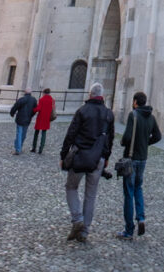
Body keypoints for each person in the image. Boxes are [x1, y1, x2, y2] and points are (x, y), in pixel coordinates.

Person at [60, 82, 114, 243]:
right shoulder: (108, 114)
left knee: (71, 187)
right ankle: (84, 231)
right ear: (102, 96)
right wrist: (106, 157)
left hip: (80, 156)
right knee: (91, 195)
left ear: (90, 94)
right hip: (98, 159)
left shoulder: (82, 111)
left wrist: (63, 155)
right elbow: (110, 139)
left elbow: (71, 134)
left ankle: (77, 219)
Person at [116, 90, 162, 240]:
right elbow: (158, 136)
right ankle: (141, 218)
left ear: (135, 102)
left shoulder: (133, 115)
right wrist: (145, 143)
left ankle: (129, 230)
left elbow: (127, 137)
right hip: (143, 158)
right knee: (138, 188)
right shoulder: (151, 117)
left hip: (131, 158)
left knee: (129, 192)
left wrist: (123, 142)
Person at [10, 88, 38, 154]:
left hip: (20, 118)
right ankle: (20, 147)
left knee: (19, 133)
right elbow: (35, 109)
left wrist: (12, 113)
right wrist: (31, 115)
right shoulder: (33, 100)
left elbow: (15, 107)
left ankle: (18, 149)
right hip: (28, 118)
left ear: (25, 92)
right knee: (23, 134)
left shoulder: (22, 99)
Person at [31, 87, 55, 154]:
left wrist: (33, 110)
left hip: (40, 118)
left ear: (44, 93)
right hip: (47, 118)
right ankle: (41, 149)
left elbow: (38, 108)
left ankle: (34, 147)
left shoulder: (42, 99)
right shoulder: (52, 100)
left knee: (36, 133)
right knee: (44, 134)